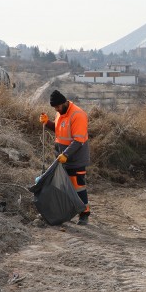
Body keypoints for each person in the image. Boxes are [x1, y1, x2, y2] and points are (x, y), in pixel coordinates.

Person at [39, 90, 91, 225]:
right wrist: (48, 123)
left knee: (78, 187)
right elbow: (60, 130)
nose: (56, 109)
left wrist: (66, 154)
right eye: (55, 108)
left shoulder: (78, 115)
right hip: (62, 159)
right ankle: (64, 213)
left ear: (64, 103)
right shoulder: (60, 113)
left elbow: (78, 140)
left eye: (57, 107)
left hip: (75, 159)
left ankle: (84, 214)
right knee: (61, 187)